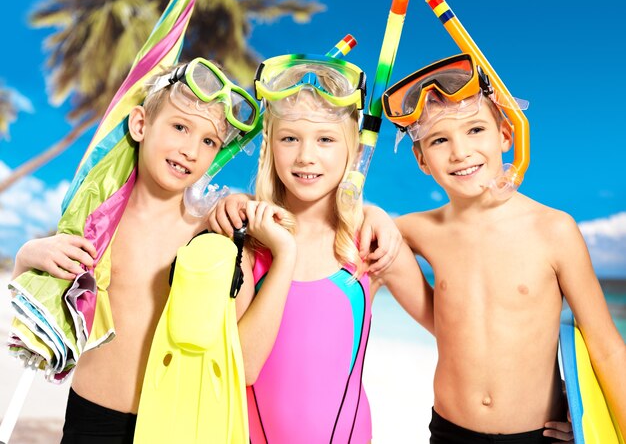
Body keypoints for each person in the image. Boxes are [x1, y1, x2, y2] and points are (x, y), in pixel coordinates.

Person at [10, 58, 264, 443]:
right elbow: (40, 308)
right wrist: (27, 255)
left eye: (209, 141)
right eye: (180, 127)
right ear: (140, 124)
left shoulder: (211, 235)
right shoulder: (99, 224)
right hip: (92, 420)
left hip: (174, 425)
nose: (190, 150)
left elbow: (234, 346)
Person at [380, 52, 626, 443]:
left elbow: (606, 345)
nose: (460, 152)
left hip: (537, 434)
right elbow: (345, 237)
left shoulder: (554, 230)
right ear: (422, 159)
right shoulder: (417, 230)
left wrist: (598, 425)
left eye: (475, 130)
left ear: (506, 135)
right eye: (440, 140)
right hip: (448, 431)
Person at [208, 53, 435, 443]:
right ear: (269, 147)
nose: (305, 156)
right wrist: (279, 249)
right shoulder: (249, 239)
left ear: (352, 151)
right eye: (289, 138)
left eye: (325, 139)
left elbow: (452, 331)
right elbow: (242, 367)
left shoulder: (368, 243)